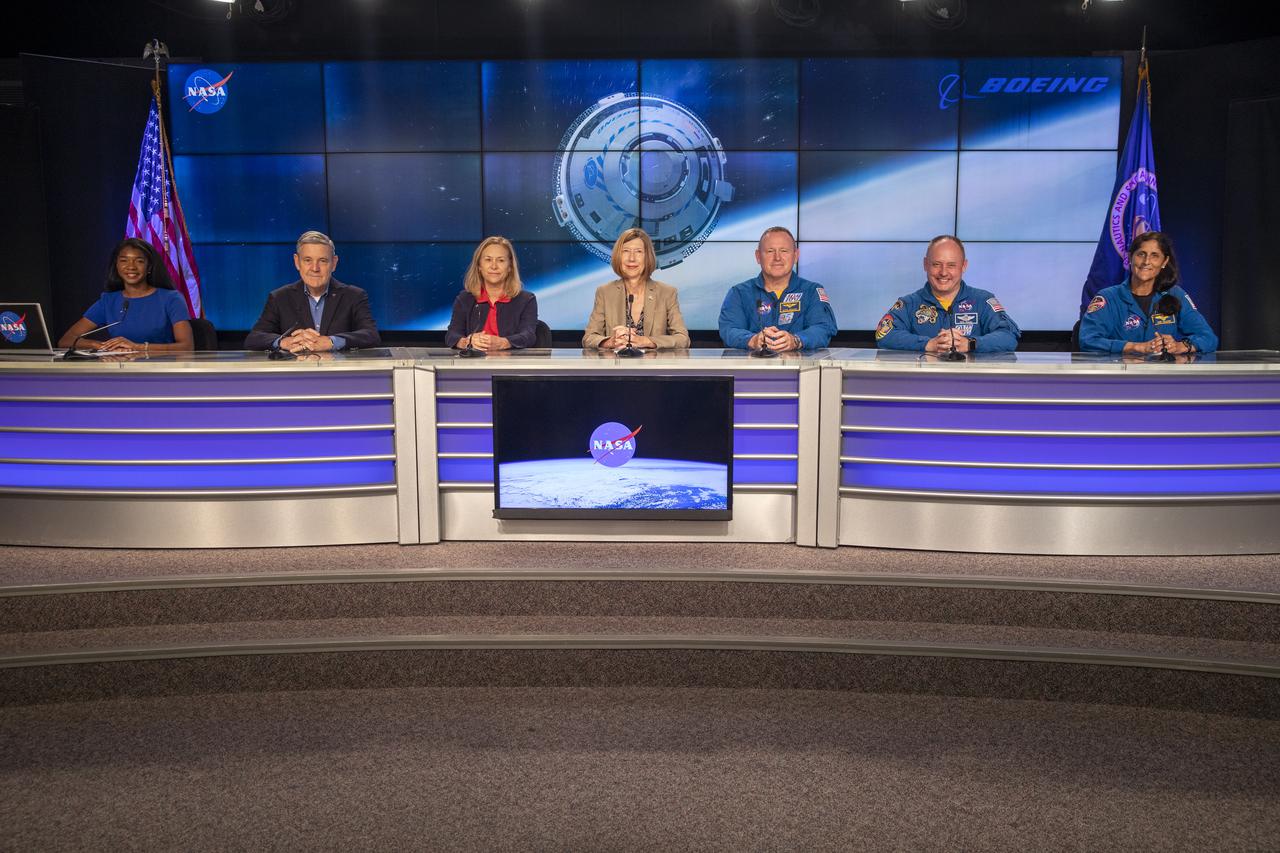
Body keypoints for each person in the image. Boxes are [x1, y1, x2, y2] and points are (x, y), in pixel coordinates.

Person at [1079, 231, 1217, 355]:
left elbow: (1208, 338)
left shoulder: (1176, 295)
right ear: (1130, 257)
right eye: (1141, 254)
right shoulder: (1108, 297)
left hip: (1162, 379)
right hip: (1120, 378)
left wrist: (1180, 346)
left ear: (1164, 262)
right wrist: (1134, 347)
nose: (1146, 262)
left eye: (1154, 256)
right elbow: (1088, 340)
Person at [875, 235, 1020, 353]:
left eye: (951, 265)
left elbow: (1009, 336)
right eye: (936, 264)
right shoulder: (908, 304)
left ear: (964, 266)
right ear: (925, 264)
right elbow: (884, 335)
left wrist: (970, 344)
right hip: (922, 385)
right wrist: (928, 344)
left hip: (972, 385)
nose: (943, 272)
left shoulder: (983, 300)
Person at [244, 231, 381, 352]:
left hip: (340, 375)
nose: (315, 268)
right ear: (297, 262)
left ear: (334, 263)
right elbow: (254, 339)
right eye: (307, 260)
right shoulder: (280, 297)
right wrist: (284, 342)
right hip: (295, 376)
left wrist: (331, 341)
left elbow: (371, 335)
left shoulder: (354, 296)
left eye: (322, 261)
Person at [58, 238, 193, 354]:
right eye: (124, 260)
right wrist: (101, 346)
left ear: (149, 267)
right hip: (121, 372)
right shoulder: (108, 301)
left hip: (162, 372)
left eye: (139, 261)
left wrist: (138, 347)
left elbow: (187, 347)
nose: (131, 267)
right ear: (116, 265)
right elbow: (66, 340)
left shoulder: (171, 299)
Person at [718, 226, 837, 351]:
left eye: (784, 251)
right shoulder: (739, 293)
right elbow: (729, 329)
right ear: (758, 256)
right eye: (770, 251)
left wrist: (796, 340)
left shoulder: (812, 292)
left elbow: (823, 328)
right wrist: (752, 340)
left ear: (796, 255)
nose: (777, 258)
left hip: (801, 369)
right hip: (752, 369)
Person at [582, 229, 689, 350]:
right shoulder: (605, 292)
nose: (631, 258)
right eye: (626, 251)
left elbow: (683, 339)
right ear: (618, 256)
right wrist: (610, 342)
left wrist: (647, 341)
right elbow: (589, 338)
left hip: (654, 367)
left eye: (638, 252)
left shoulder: (667, 293)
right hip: (616, 367)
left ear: (647, 257)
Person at [445, 236, 538, 351]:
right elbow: (451, 335)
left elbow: (528, 335)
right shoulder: (465, 299)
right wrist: (467, 342)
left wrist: (504, 343)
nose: (494, 266)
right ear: (479, 266)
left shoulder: (526, 299)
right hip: (473, 366)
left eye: (501, 260)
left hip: (511, 365)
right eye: (488, 260)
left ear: (510, 267)